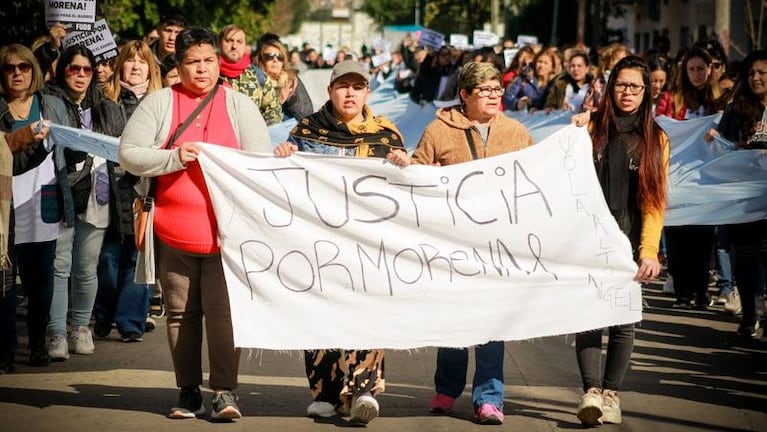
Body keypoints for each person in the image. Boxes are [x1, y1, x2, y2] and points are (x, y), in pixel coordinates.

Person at [119, 27, 271, 420]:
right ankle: (187, 392)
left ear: (219, 62)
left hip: (228, 236)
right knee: (180, 315)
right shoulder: (160, 103)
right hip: (174, 231)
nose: (202, 69)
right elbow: (129, 155)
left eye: (208, 60)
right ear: (179, 64)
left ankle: (224, 392)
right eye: (192, 62)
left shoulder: (239, 105)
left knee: (224, 315)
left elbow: (261, 164)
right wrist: (173, 158)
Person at [389, 61, 533, 425]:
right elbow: (418, 172)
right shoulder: (439, 129)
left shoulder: (516, 133)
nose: (492, 96)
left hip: (497, 244)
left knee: (491, 322)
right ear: (465, 94)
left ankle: (489, 397)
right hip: (451, 242)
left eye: (497, 89)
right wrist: (416, 168)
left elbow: (534, 179)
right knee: (453, 317)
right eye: (484, 90)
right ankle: (447, 389)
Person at [273, 60, 409, 425]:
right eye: (342, 86)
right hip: (317, 241)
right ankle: (326, 394)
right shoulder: (306, 130)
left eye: (357, 86)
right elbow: (283, 181)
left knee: (364, 312)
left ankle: (363, 391)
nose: (350, 93)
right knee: (319, 313)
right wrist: (285, 155)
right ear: (330, 90)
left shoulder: (386, 135)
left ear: (367, 91)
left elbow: (404, 191)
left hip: (367, 244)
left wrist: (403, 163)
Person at [570, 55, 669, 426]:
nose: (627, 92)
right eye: (621, 85)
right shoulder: (590, 128)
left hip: (628, 239)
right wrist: (580, 122)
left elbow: (654, 202)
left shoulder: (657, 139)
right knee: (589, 317)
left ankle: (611, 393)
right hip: (588, 238)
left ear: (647, 92)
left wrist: (648, 251)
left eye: (635, 86)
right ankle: (590, 392)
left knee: (622, 321)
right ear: (610, 87)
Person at [43, 45, 126, 360]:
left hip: (97, 194)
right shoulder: (49, 101)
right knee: (59, 266)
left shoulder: (106, 107)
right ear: (62, 70)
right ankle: (56, 332)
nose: (80, 75)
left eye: (86, 70)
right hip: (60, 191)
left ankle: (80, 327)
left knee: (86, 267)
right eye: (73, 69)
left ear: (95, 74)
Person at [0, 44, 70, 368]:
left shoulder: (51, 104)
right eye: (9, 68)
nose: (17, 73)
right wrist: (26, 137)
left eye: (24, 67)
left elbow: (71, 147)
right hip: (4, 204)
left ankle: (39, 341)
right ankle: (7, 349)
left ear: (34, 71)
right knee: (5, 278)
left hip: (44, 200)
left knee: (41, 278)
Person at [95, 40, 163, 343]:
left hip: (145, 189)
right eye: (130, 60)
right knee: (107, 259)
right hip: (106, 189)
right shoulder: (103, 99)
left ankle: (130, 322)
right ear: (120, 64)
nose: (136, 67)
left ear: (151, 68)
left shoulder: (160, 102)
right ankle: (104, 313)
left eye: (142, 62)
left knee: (138, 258)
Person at [705, 50, 767, 338]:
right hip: (744, 200)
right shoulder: (737, 110)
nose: (756, 78)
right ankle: (750, 313)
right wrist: (717, 140)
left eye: (762, 72)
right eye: (752, 73)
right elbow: (722, 146)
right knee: (746, 257)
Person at [656, 46, 722, 309]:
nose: (697, 74)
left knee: (703, 237)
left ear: (710, 70)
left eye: (701, 69)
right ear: (684, 71)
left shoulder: (720, 100)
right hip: (677, 175)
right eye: (691, 69)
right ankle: (682, 292)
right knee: (677, 233)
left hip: (707, 177)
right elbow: (660, 127)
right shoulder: (671, 99)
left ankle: (701, 290)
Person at [217, 24, 282, 125]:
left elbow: (273, 110)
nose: (234, 46)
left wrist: (262, 130)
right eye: (229, 41)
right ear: (219, 44)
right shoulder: (208, 75)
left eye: (239, 42)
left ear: (245, 46)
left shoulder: (259, 77)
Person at [254, 33, 313, 121]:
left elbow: (306, 114)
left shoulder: (291, 79)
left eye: (279, 57)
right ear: (261, 60)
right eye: (270, 56)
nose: (275, 60)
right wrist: (279, 100)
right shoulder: (253, 81)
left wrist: (291, 99)